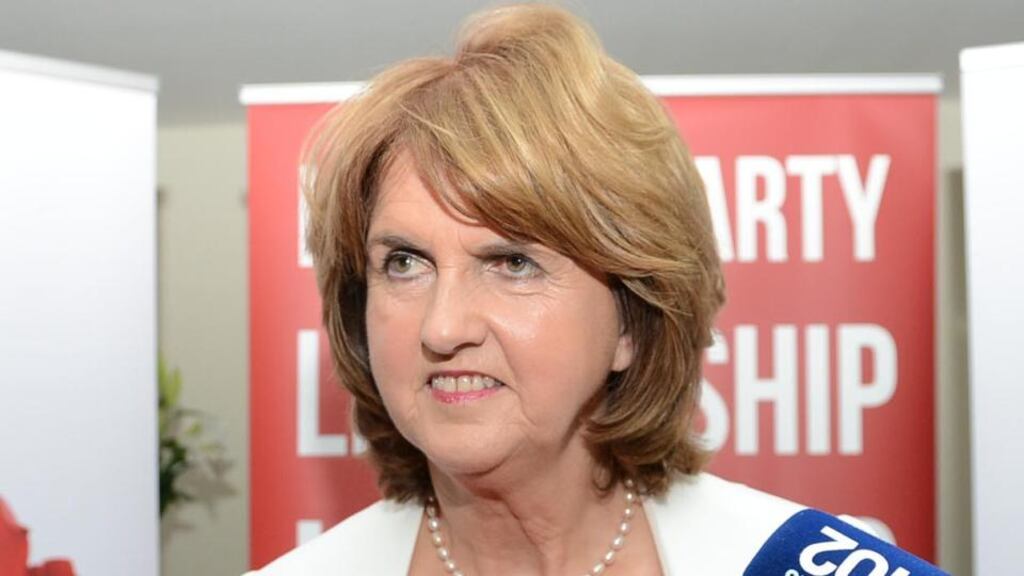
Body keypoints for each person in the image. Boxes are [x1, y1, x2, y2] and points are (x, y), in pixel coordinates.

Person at [247, 4, 946, 576]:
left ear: (631, 322)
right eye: (404, 263)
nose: (442, 326)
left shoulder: (800, 564)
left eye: (511, 262)